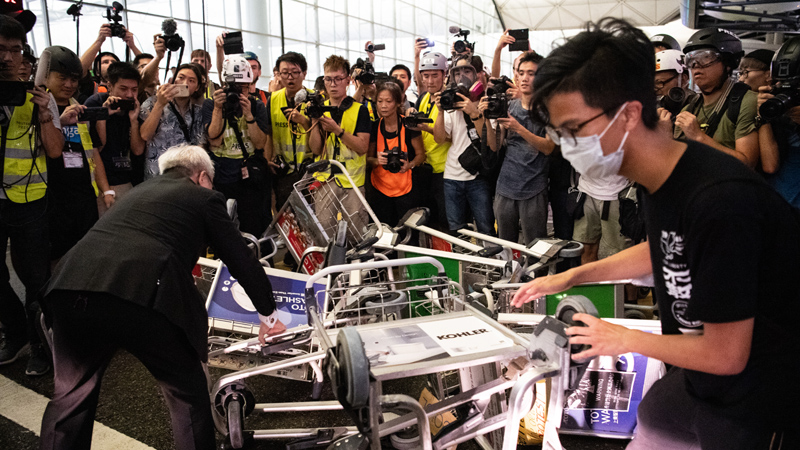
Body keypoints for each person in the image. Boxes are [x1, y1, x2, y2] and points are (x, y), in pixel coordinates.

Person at [512, 18, 799, 449]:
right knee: (653, 417)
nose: (567, 146)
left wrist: (623, 338)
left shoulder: (720, 199)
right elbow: (665, 248)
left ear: (629, 114)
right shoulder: (661, 176)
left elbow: (726, 354)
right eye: (559, 133)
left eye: (574, 130)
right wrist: (574, 276)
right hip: (701, 380)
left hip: (758, 394)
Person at [39, 144, 287, 450]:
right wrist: (269, 316)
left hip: (69, 285)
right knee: (187, 394)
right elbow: (240, 258)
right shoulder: (203, 197)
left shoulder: (139, 193)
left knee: (70, 399)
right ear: (202, 177)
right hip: (142, 292)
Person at [0, 15, 64, 376]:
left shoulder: (38, 97)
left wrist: (44, 114)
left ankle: (41, 342)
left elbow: (54, 150)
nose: (8, 58)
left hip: (30, 199)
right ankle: (15, 331)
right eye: (1, 49)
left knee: (35, 277)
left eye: (15, 50)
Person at [44, 46, 111, 264]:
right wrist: (58, 121)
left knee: (86, 252)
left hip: (83, 195)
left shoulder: (80, 109)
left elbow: (92, 152)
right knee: (56, 256)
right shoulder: (40, 109)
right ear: (45, 76)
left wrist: (106, 190)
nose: (69, 84)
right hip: (52, 196)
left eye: (73, 79)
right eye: (62, 78)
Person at [482, 51, 554, 245]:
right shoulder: (509, 106)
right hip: (505, 185)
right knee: (505, 245)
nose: (524, 78)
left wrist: (519, 128)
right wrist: (486, 120)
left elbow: (548, 147)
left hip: (534, 187)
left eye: (531, 73)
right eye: (521, 73)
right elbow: (495, 146)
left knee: (535, 246)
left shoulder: (548, 110)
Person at [204, 55, 271, 237]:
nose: (239, 92)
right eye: (233, 87)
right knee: (224, 227)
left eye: (243, 87)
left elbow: (260, 143)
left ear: (250, 85)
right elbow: (214, 139)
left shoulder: (256, 106)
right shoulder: (211, 104)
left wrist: (249, 115)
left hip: (249, 175)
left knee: (253, 224)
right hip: (222, 173)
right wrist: (218, 109)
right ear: (224, 85)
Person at [674, 28, 759, 169]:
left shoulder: (746, 101)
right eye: (690, 59)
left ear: (728, 63)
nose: (696, 66)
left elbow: (747, 164)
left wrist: (699, 137)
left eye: (706, 58)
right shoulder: (689, 109)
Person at [307, 55, 371, 235]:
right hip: (325, 179)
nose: (333, 84)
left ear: (348, 81)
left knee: (356, 232)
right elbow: (315, 149)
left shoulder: (360, 110)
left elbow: (362, 147)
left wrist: (338, 131)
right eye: (328, 79)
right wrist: (314, 120)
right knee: (324, 230)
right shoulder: (320, 108)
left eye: (338, 79)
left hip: (352, 181)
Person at [432, 55, 495, 236]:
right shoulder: (450, 101)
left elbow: (490, 143)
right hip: (452, 176)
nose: (462, 76)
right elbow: (439, 138)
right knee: (456, 230)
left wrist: (474, 113)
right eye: (458, 72)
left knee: (486, 228)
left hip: (477, 176)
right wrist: (440, 111)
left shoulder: (486, 101)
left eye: (467, 71)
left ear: (477, 74)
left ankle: (489, 255)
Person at [83, 62, 145, 216]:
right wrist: (103, 116)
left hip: (127, 179)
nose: (129, 95)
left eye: (134, 89)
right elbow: (97, 148)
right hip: (101, 182)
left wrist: (134, 120)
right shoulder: (95, 103)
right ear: (110, 86)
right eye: (123, 89)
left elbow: (138, 150)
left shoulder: (135, 108)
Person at [367, 82, 426, 226]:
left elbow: (421, 155)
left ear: (398, 102)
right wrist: (377, 161)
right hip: (379, 188)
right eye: (380, 101)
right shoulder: (375, 126)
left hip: (407, 188)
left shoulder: (409, 125)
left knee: (408, 230)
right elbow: (367, 158)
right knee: (383, 230)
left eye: (388, 101)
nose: (383, 106)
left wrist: (410, 165)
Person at [139, 63, 207, 180]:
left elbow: (200, 145)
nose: (184, 83)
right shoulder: (152, 103)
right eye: (181, 77)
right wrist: (160, 104)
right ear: (172, 80)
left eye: (191, 81)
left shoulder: (198, 111)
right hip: (157, 174)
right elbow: (145, 135)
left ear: (197, 87)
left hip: (185, 175)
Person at [265, 51, 312, 208]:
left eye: (295, 72)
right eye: (285, 73)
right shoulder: (273, 99)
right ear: (278, 75)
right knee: (284, 214)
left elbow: (322, 135)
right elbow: (268, 133)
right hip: (282, 170)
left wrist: (303, 121)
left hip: (308, 170)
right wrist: (267, 160)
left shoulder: (314, 98)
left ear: (304, 73)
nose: (290, 77)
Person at [410, 51, 450, 230]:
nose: (430, 81)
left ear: (444, 74)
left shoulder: (448, 100)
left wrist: (425, 127)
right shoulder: (423, 98)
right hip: (425, 167)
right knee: (427, 220)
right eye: (426, 76)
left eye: (435, 75)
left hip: (444, 169)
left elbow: (449, 135)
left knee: (445, 219)